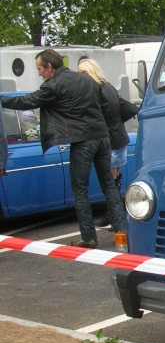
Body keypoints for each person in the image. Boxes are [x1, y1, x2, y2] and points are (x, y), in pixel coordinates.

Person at [0, 49, 126, 248]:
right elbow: (103, 106)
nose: (39, 73)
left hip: (82, 141)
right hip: (103, 137)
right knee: (109, 185)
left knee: (80, 191)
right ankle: (123, 230)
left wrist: (2, 100)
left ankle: (88, 238)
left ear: (50, 67)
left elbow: (26, 102)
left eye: (40, 69)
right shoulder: (87, 80)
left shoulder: (53, 85)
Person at [76, 58, 131, 227]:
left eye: (80, 73)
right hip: (120, 136)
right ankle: (115, 215)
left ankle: (115, 216)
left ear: (87, 73)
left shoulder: (95, 91)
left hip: (109, 139)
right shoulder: (110, 87)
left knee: (109, 182)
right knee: (114, 179)